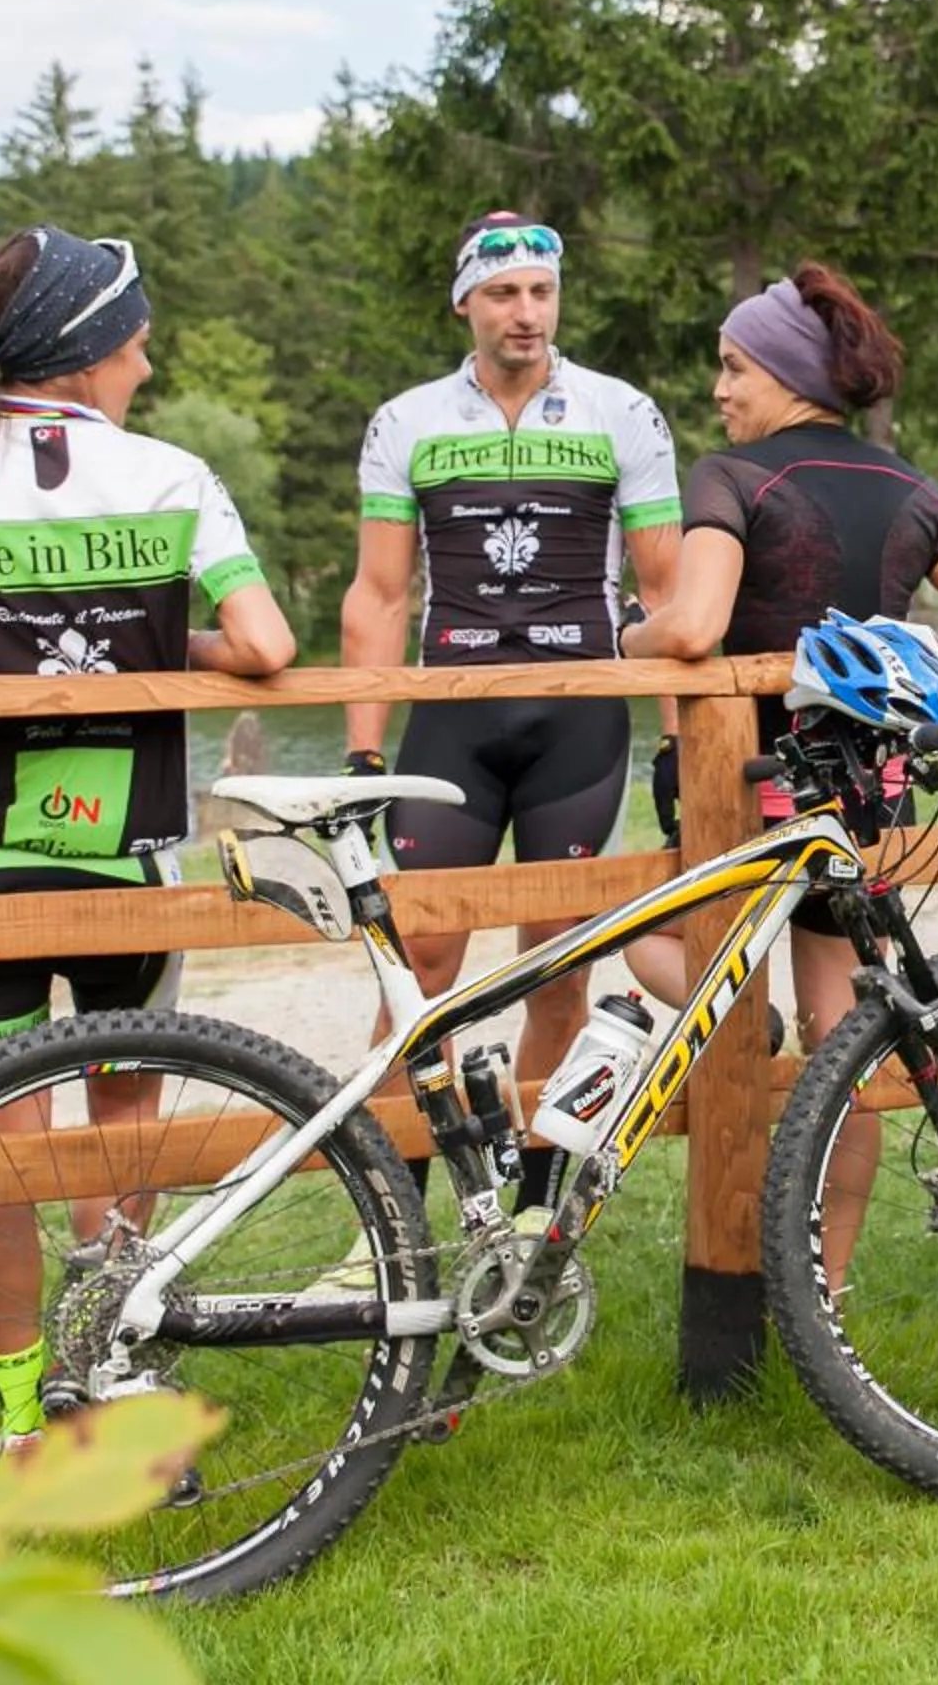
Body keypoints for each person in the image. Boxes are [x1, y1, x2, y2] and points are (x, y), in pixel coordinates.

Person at [0, 226, 297, 1458]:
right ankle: (106, 1389)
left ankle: (12, 1423)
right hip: (129, 851)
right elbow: (267, 648)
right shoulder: (173, 476)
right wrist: (155, 651)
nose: (144, 366)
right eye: (136, 344)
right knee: (121, 1126)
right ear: (91, 353)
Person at [340, 212, 679, 1209]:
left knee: (558, 970)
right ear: (464, 303)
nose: (525, 312)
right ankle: (386, 1213)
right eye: (502, 293)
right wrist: (363, 754)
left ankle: (533, 1212)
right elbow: (379, 595)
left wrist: (673, 735)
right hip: (454, 718)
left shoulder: (623, 413)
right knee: (423, 961)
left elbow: (662, 591)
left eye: (540, 291)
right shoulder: (407, 421)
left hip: (579, 722)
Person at [619, 262, 938, 1047]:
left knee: (643, 934)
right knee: (843, 1044)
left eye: (735, 368)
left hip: (751, 788)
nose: (720, 389)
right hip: (873, 791)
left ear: (786, 374)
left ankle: (749, 1031)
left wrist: (630, 634)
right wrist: (887, 659)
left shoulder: (734, 477)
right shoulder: (915, 487)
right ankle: (802, 1117)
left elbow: (694, 627)